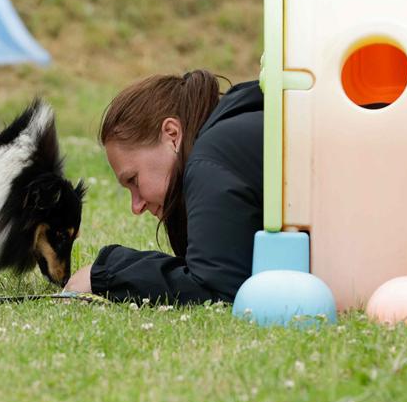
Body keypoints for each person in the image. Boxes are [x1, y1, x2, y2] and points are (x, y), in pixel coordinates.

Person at [64, 70, 263, 304]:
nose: (136, 207)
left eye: (134, 180)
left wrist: (106, 273)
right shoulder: (233, 137)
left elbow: (216, 289)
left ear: (172, 134)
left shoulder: (209, 161)